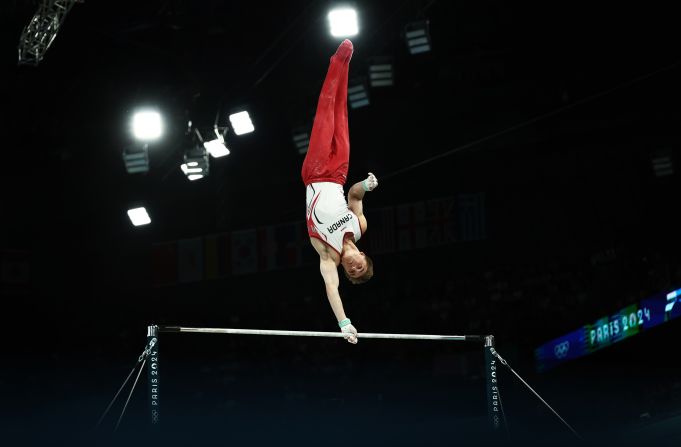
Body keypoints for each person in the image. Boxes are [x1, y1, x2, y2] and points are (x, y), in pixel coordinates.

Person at [301, 39, 378, 345]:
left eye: (354, 273)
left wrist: (344, 323)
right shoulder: (359, 228)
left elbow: (331, 288)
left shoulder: (327, 256)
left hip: (316, 173)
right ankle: (345, 65)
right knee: (342, 113)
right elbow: (355, 198)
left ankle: (338, 60)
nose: (355, 267)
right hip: (340, 174)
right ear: (363, 254)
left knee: (326, 111)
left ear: (348, 271)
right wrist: (366, 185)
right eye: (361, 266)